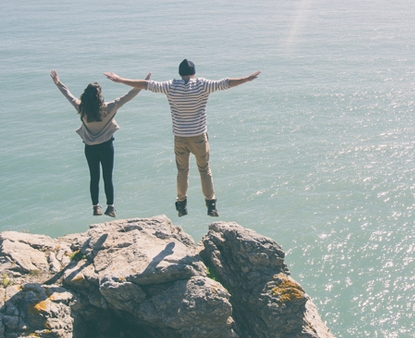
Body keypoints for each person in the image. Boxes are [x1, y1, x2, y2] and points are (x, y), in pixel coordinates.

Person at [104, 60, 261, 217]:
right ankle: (211, 205)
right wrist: (246, 79)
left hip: (180, 138)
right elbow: (225, 83)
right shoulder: (203, 84)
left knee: (182, 171)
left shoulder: (171, 86)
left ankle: (182, 205)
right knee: (204, 170)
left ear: (180, 73)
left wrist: (120, 79)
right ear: (194, 73)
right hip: (199, 137)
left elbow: (146, 85)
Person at [50, 70, 151, 217]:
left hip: (90, 148)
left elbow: (68, 95)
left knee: (94, 177)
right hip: (106, 147)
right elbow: (128, 96)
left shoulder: (81, 108)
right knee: (107, 177)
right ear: (100, 95)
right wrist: (143, 83)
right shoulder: (110, 107)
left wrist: (58, 83)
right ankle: (110, 208)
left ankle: (96, 207)